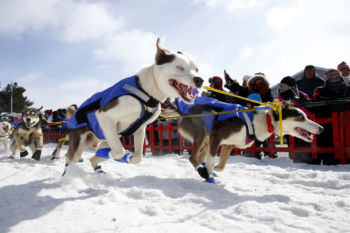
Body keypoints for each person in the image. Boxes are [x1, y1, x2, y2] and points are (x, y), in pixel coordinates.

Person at [312, 69, 350, 165]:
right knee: (328, 151)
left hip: (346, 124)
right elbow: (313, 105)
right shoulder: (320, 91)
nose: (335, 80)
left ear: (341, 78)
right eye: (332, 78)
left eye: (337, 77)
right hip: (327, 125)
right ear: (327, 80)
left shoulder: (348, 89)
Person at [277, 76, 318, 164]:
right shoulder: (279, 99)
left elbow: (309, 109)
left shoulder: (302, 95)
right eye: (280, 88)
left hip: (303, 126)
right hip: (289, 129)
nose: (281, 91)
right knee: (294, 149)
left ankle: (310, 162)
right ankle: (297, 163)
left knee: (306, 146)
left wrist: (300, 102)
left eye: (283, 88)